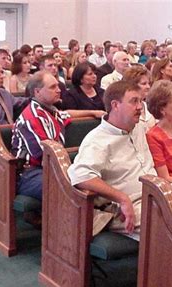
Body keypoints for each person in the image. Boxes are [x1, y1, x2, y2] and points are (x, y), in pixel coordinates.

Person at [67, 81, 157, 240]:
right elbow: (80, 175)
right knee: (167, 224)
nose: (140, 107)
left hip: (155, 194)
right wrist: (122, 198)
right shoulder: (97, 140)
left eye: (141, 101)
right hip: (127, 205)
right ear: (115, 105)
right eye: (134, 101)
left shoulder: (138, 127)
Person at [11, 71, 104, 201]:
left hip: (49, 166)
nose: (59, 90)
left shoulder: (50, 110)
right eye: (52, 87)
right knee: (68, 182)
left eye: (58, 86)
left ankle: (92, 212)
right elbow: (46, 156)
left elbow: (66, 114)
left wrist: (93, 112)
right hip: (29, 174)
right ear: (37, 92)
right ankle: (86, 217)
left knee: (89, 175)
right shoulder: (32, 117)